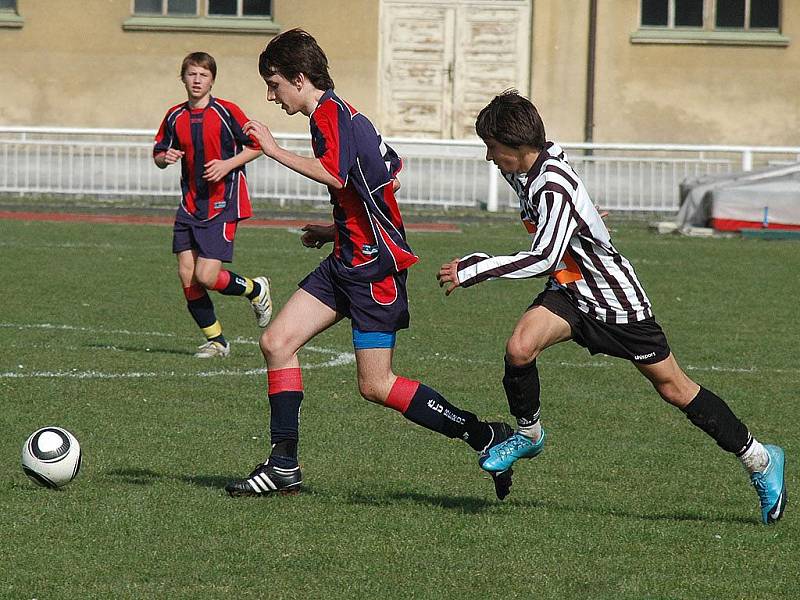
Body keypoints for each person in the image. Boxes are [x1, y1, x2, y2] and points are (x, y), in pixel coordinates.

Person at [436, 90, 787, 525]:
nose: (489, 158)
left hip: (616, 303)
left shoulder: (551, 184)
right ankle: (528, 434)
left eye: (493, 148)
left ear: (517, 146)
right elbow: (565, 220)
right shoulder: (528, 168)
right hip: (570, 291)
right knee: (519, 348)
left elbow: (545, 254)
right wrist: (589, 218)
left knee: (675, 389)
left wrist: (475, 268)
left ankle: (761, 460)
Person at [224, 28, 514, 500]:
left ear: (299, 79)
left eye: (274, 84)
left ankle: (484, 435)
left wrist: (272, 150)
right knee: (277, 342)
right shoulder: (346, 115)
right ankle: (283, 466)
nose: (270, 95)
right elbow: (385, 180)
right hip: (347, 260)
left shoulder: (331, 117)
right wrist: (338, 230)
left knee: (376, 385)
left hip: (374, 272)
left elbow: (337, 174)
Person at [153, 51, 273, 359]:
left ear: (212, 80)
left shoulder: (226, 111)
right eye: (192, 74)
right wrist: (164, 159)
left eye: (203, 75)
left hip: (223, 202)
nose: (196, 80)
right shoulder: (174, 115)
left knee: (207, 276)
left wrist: (227, 164)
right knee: (187, 276)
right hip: (190, 205)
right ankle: (217, 342)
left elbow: (257, 146)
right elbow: (159, 152)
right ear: (183, 78)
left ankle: (255, 289)